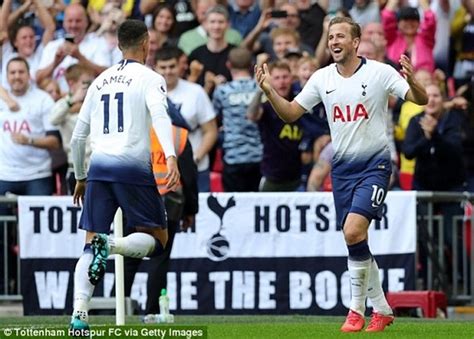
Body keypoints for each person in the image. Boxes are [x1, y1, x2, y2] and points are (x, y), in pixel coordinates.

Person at [255, 16, 428, 332]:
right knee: (356, 238)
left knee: (352, 231)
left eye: (340, 37)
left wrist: (414, 81)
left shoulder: (379, 72)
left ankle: (355, 310)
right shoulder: (322, 78)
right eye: (331, 37)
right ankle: (383, 310)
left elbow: (421, 99)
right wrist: (269, 91)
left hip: (375, 165)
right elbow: (291, 113)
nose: (334, 42)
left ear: (356, 41)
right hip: (344, 169)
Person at [68, 19, 180, 331]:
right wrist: (170, 156)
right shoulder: (150, 78)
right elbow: (160, 115)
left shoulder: (99, 80)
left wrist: (80, 176)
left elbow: (78, 138)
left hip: (99, 169)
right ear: (147, 43)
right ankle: (113, 245)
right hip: (132, 168)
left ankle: (79, 313)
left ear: (119, 45)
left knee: (89, 244)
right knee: (158, 240)